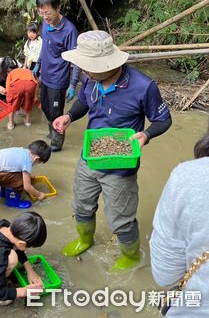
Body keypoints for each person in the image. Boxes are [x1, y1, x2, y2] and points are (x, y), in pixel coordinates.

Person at [53, 30, 172, 270]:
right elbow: (84, 102)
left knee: (122, 219)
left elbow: (164, 120)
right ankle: (85, 239)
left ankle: (131, 255)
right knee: (82, 205)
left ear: (107, 63)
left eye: (87, 67)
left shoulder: (143, 86)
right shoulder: (90, 78)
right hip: (90, 157)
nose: (83, 71)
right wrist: (69, 116)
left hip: (121, 166)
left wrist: (146, 135)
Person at [149, 126, 209, 316]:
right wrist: (69, 116)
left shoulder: (190, 178)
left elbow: (165, 276)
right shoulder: (87, 94)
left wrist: (146, 134)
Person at [32, 0, 79, 152]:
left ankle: (57, 142)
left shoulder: (69, 30)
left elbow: (76, 59)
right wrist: (38, 64)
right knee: (45, 107)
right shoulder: (45, 23)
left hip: (58, 78)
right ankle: (53, 129)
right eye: (41, 13)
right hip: (45, 75)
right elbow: (45, 46)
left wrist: (73, 84)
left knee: (56, 112)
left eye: (48, 13)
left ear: (58, 8)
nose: (45, 17)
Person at [0, 140, 51, 208]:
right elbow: (27, 187)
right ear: (36, 159)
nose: (37, 163)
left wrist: (29, 176)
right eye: (39, 162)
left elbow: (13, 165)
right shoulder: (28, 162)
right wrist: (39, 195)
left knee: (15, 174)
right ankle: (12, 202)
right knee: (20, 180)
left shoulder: (22, 151)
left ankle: (3, 193)